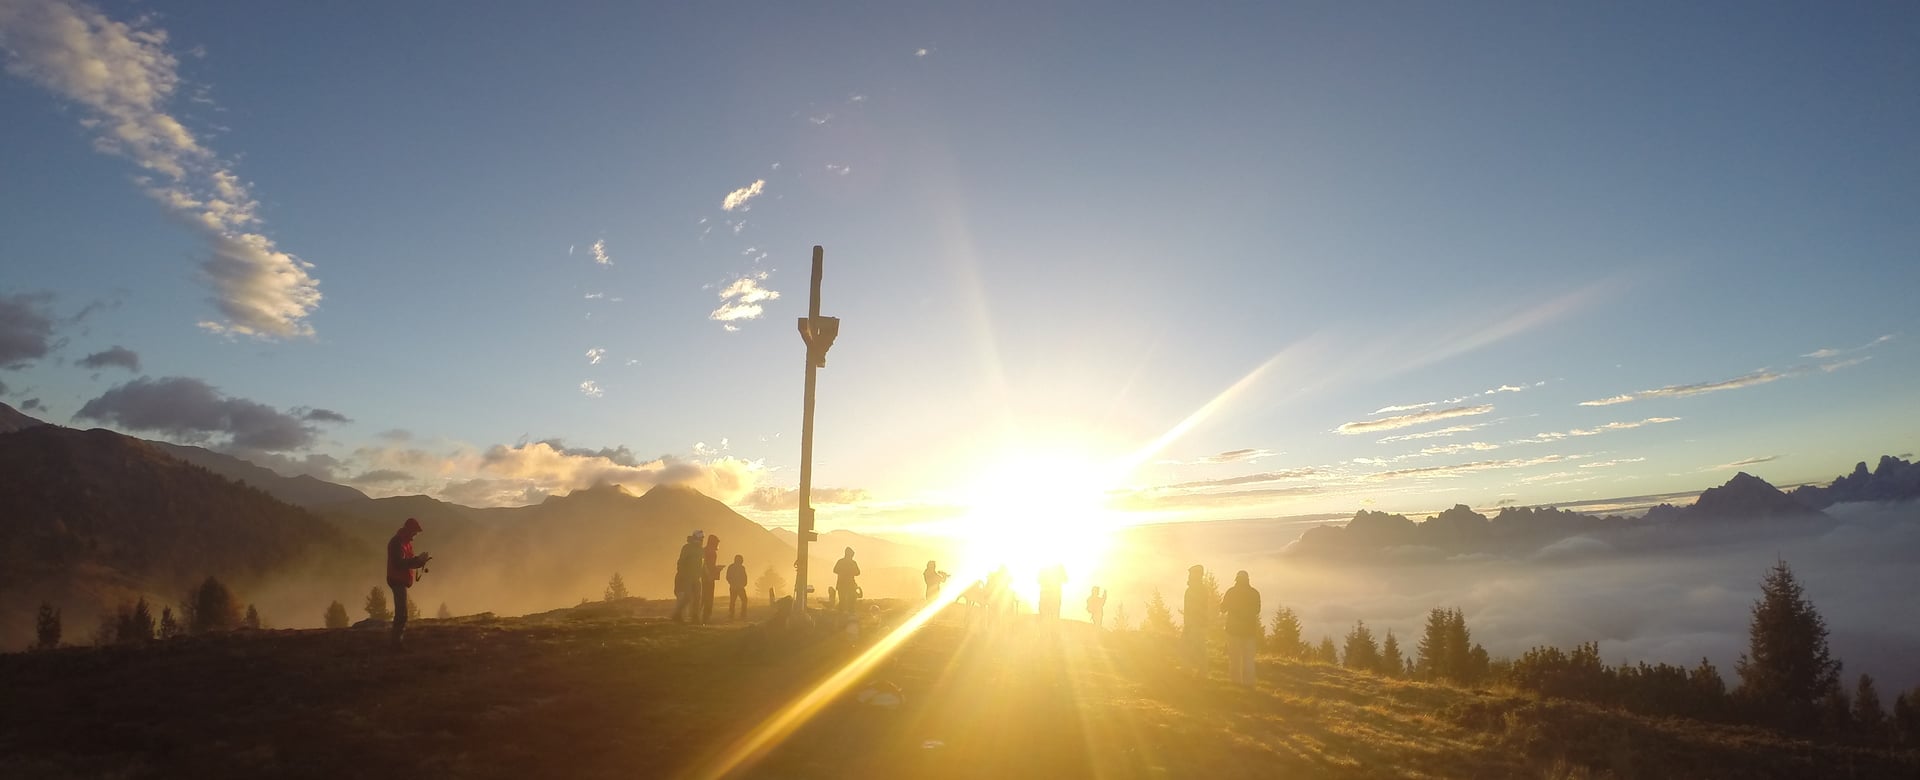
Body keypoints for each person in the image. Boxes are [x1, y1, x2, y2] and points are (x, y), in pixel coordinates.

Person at [385, 517, 431, 649]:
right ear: (410, 530)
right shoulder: (397, 542)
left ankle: (397, 641)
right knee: (402, 613)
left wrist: (421, 561)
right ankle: (396, 643)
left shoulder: (405, 542)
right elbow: (399, 564)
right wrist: (418, 559)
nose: (416, 534)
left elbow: (408, 562)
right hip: (396, 579)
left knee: (402, 612)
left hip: (399, 579)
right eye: (415, 531)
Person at [1221, 570, 1262, 686]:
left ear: (1237, 580)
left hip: (1233, 631)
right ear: (1247, 580)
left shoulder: (1231, 592)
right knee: (1248, 660)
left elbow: (1222, 609)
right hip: (1249, 632)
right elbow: (1257, 610)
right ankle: (1249, 685)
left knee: (1234, 659)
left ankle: (1236, 684)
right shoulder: (1255, 593)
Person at [1182, 565, 1210, 676]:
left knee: (1196, 647)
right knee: (1193, 646)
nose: (1189, 575)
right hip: (1195, 623)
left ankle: (1198, 671)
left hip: (1195, 623)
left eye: (1191, 573)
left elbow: (1194, 608)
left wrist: (1189, 623)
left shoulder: (1195, 589)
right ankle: (1195, 670)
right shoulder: (1198, 589)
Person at [672, 530, 704, 623]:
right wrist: (682, 574)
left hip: (696, 577)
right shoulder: (687, 548)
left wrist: (703, 573)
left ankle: (695, 617)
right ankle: (677, 614)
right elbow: (681, 562)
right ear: (695, 537)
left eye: (702, 537)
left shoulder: (700, 549)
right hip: (687, 577)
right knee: (688, 597)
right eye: (700, 537)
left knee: (697, 597)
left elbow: (702, 563)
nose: (701, 539)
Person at [700, 534, 722, 624]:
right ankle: (705, 617)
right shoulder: (711, 552)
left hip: (705, 576)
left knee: (705, 595)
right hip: (709, 577)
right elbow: (705, 564)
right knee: (708, 596)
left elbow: (705, 564)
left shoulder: (704, 550)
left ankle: (699, 615)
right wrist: (711, 573)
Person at [832, 547, 861, 613]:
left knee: (845, 602)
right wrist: (849, 572)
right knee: (847, 602)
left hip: (843, 585)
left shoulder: (841, 561)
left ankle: (843, 616)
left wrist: (844, 572)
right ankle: (847, 616)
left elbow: (835, 570)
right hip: (848, 585)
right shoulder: (853, 563)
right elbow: (858, 572)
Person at [726, 554, 749, 620]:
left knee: (733, 601)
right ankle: (742, 615)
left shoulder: (732, 567)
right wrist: (743, 584)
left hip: (735, 587)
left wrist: (732, 583)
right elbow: (744, 577)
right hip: (738, 587)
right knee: (743, 600)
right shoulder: (741, 568)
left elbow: (728, 577)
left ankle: (732, 614)